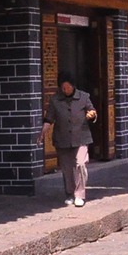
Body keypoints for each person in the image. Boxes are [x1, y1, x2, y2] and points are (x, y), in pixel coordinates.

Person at [44, 71, 97, 207]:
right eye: (63, 88)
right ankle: (69, 193)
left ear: (73, 86)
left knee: (80, 164)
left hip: (81, 136)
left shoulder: (84, 97)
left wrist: (92, 114)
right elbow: (49, 118)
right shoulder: (55, 100)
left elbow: (92, 110)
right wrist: (43, 130)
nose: (65, 90)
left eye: (67, 87)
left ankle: (80, 194)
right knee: (67, 168)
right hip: (62, 138)